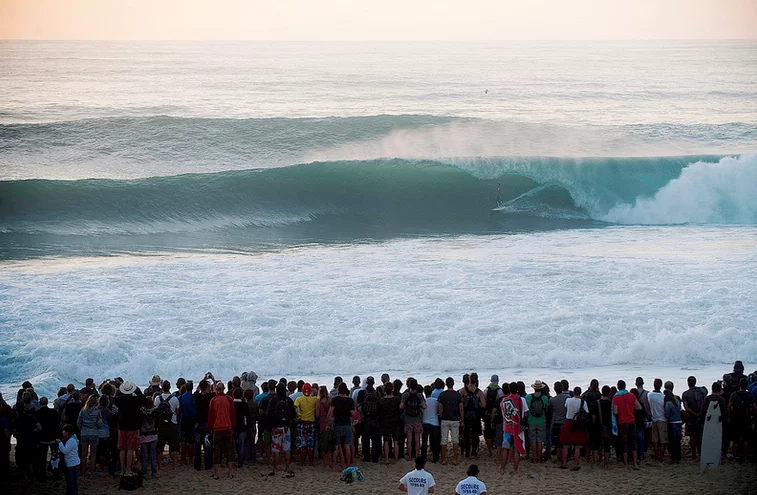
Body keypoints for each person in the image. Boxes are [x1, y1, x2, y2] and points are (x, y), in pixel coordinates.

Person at [113, 381, 143, 475]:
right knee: (130, 449)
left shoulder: (119, 400)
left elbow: (114, 398)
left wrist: (119, 391)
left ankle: (122, 470)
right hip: (132, 426)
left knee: (122, 449)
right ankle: (128, 469)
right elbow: (143, 399)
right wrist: (137, 390)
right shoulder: (136, 400)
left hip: (122, 425)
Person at [266, 383, 296, 475]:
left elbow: (268, 415)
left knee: (276, 449)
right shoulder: (288, 400)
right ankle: (287, 467)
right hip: (286, 427)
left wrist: (271, 427)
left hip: (276, 428)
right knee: (287, 448)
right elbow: (293, 414)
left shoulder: (273, 400)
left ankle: (275, 467)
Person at [208, 381, 236, 479]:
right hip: (228, 427)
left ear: (216, 389)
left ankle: (216, 473)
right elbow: (232, 414)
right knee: (229, 451)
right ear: (224, 389)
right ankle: (230, 472)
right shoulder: (229, 399)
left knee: (216, 451)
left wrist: (210, 428)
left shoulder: (213, 400)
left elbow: (211, 416)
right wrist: (233, 426)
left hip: (217, 428)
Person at [612, 380, 641, 470]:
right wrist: (631, 408)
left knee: (624, 443)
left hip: (622, 422)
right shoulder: (631, 395)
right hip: (631, 420)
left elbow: (615, 412)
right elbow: (639, 407)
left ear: (618, 387)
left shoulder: (616, 398)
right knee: (633, 442)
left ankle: (625, 464)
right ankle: (635, 463)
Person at [500, 382, 527, 474]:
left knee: (505, 448)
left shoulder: (504, 400)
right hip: (517, 427)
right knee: (516, 448)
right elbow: (525, 413)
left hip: (507, 426)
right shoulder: (520, 399)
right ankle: (515, 469)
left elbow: (503, 412)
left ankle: (502, 468)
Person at [153, 380, 181, 470]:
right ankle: (175, 466)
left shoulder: (158, 398)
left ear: (162, 387)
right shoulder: (174, 399)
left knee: (160, 447)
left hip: (161, 425)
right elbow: (177, 411)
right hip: (172, 424)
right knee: (173, 446)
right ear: (170, 387)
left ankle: (160, 466)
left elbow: (155, 410)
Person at [727, 377, 756, 461]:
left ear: (739, 385)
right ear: (747, 385)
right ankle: (746, 457)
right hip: (746, 418)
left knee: (735, 439)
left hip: (736, 418)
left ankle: (734, 456)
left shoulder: (734, 394)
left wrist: (730, 416)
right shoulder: (750, 395)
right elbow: (754, 407)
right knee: (746, 439)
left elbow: (729, 406)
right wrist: (753, 417)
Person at [328, 382, 356, 467]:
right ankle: (347, 464)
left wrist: (328, 422)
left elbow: (330, 412)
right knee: (347, 445)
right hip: (347, 424)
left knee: (336, 446)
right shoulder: (350, 400)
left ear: (338, 390)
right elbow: (353, 414)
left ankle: (334, 465)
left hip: (337, 424)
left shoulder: (335, 400)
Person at [400, 378, 427, 460]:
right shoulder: (419, 395)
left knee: (409, 439)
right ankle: (417, 456)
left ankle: (410, 457)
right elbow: (424, 406)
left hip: (408, 419)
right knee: (417, 439)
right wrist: (418, 405)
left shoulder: (405, 395)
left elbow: (401, 406)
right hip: (417, 419)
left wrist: (406, 405)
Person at [77, 394, 103, 476]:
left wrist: (82, 429)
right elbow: (100, 423)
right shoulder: (97, 411)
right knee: (93, 454)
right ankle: (92, 472)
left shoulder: (83, 411)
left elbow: (78, 422)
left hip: (84, 433)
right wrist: (96, 427)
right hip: (94, 433)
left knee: (83, 454)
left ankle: (83, 471)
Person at [357, 377, 382, 463]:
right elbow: (380, 406)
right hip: (375, 418)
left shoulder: (362, 393)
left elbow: (359, 406)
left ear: (366, 383)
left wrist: (362, 416)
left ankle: (367, 457)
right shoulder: (377, 393)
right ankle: (375, 457)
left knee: (366, 439)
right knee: (376, 439)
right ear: (374, 383)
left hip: (366, 418)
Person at [36, 396, 61, 481]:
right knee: (55, 456)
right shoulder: (53, 412)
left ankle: (42, 475)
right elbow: (58, 423)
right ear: (47, 403)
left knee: (42, 458)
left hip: (42, 438)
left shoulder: (37, 413)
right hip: (52, 437)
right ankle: (56, 474)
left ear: (40, 403)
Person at [681, 376, 706, 460]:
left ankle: (693, 454)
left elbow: (686, 407)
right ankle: (700, 452)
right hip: (700, 416)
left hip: (691, 417)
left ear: (688, 383)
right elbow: (704, 403)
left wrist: (694, 413)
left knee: (692, 435)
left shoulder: (685, 394)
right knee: (699, 435)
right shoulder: (701, 392)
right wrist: (700, 413)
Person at [461, 373, 485, 459]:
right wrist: (477, 403)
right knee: (475, 434)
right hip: (476, 416)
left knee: (466, 434)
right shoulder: (479, 392)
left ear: (469, 379)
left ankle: (467, 452)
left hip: (466, 415)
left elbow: (460, 403)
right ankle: (474, 452)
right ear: (477, 380)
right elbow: (484, 405)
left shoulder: (463, 390)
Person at [294, 383, 318, 466]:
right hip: (311, 423)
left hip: (302, 423)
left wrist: (297, 416)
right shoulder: (314, 399)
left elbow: (295, 408)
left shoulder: (299, 399)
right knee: (310, 445)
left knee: (302, 444)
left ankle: (303, 462)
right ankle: (311, 462)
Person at [192, 379, 214, 470]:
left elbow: (196, 390)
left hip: (198, 423)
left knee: (197, 446)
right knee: (207, 446)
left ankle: (197, 465)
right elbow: (215, 392)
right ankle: (208, 465)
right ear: (208, 387)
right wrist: (213, 381)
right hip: (206, 424)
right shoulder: (210, 396)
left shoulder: (196, 396)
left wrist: (204, 379)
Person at [526, 380, 549, 464]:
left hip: (531, 420)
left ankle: (534, 458)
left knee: (533, 440)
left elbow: (527, 409)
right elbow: (546, 409)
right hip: (541, 420)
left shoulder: (528, 397)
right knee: (540, 440)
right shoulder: (544, 398)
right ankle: (539, 458)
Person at [379, 381, 402, 464]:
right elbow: (400, 410)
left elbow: (380, 412)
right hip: (395, 422)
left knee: (386, 441)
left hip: (385, 422)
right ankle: (395, 459)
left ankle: (387, 459)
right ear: (392, 389)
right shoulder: (396, 399)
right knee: (396, 441)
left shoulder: (382, 400)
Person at [547, 382, 569, 468]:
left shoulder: (552, 400)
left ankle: (559, 461)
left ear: (555, 389)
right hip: (564, 422)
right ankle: (565, 461)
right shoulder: (567, 398)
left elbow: (550, 410)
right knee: (565, 444)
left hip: (556, 422)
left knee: (558, 444)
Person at [581, 379, 602, 464]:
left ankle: (587, 459)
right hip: (598, 419)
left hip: (588, 420)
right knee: (598, 441)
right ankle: (599, 458)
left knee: (588, 441)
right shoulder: (599, 395)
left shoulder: (586, 394)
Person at [316, 386, 336, 470]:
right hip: (331, 422)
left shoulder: (318, 402)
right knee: (331, 443)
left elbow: (317, 415)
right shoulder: (331, 400)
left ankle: (325, 462)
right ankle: (332, 462)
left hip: (322, 423)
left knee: (323, 444)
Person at [648, 378, 667, 462]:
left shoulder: (650, 395)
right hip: (662, 419)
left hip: (654, 418)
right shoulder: (663, 397)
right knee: (662, 440)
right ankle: (661, 457)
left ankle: (656, 456)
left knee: (655, 439)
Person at [139, 395, 159, 478]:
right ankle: (154, 472)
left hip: (144, 435)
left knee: (144, 454)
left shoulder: (141, 412)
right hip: (153, 434)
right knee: (153, 454)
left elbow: (139, 423)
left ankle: (144, 471)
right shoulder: (155, 411)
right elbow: (157, 423)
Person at [482, 375, 502, 457]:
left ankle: (489, 451)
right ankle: (496, 449)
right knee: (497, 432)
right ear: (498, 380)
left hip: (488, 413)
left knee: (488, 433)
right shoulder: (500, 391)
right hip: (497, 414)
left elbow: (484, 401)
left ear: (490, 380)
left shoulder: (486, 390)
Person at [232, 387, 252, 468]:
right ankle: (240, 461)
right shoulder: (244, 404)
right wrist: (247, 426)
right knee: (241, 445)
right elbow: (247, 416)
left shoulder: (231, 404)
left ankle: (232, 460)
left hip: (233, 426)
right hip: (242, 426)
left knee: (232, 444)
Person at [421, 384, 441, 463]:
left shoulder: (423, 401)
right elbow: (438, 411)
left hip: (425, 422)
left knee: (424, 441)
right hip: (435, 422)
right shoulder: (435, 401)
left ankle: (424, 456)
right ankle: (435, 457)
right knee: (436, 441)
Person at [663, 381, 682, 464]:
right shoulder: (677, 400)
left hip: (672, 423)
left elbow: (667, 415)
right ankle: (678, 457)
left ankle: (673, 457)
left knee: (672, 441)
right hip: (679, 422)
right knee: (677, 441)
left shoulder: (668, 402)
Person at [58, 424, 80, 495]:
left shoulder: (71, 440)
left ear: (67, 432)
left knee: (72, 482)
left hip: (72, 464)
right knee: (70, 482)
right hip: (71, 463)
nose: (62, 432)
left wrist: (60, 443)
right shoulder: (70, 439)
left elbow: (65, 451)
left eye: (63, 431)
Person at [178, 384, 196, 466]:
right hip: (192, 420)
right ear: (192, 388)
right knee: (191, 440)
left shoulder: (181, 397)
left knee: (183, 440)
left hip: (184, 419)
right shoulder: (194, 397)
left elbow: (178, 409)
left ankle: (183, 458)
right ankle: (191, 459)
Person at [597, 386, 613, 469]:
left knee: (599, 444)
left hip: (599, 425)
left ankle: (600, 459)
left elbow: (593, 416)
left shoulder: (597, 403)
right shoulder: (611, 403)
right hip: (608, 425)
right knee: (607, 445)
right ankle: (606, 463)